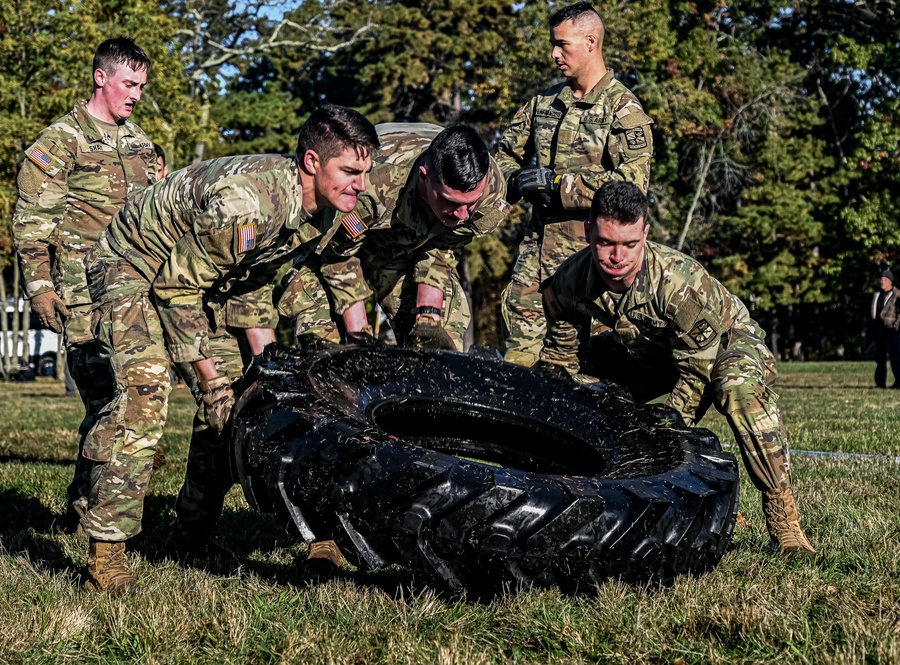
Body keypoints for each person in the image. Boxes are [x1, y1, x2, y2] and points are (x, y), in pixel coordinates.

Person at [78, 105, 379, 592]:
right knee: (146, 391)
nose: (360, 185)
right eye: (349, 171)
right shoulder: (246, 205)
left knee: (235, 410)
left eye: (365, 173)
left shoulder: (327, 211)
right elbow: (175, 288)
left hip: (204, 282)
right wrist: (209, 380)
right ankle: (106, 554)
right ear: (310, 162)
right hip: (131, 266)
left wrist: (267, 362)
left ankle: (189, 538)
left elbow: (266, 275)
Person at [537, 181, 814, 554]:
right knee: (578, 383)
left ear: (645, 234)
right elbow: (560, 357)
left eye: (630, 244)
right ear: (588, 232)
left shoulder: (678, 283)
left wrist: (667, 425)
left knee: (737, 389)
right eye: (605, 243)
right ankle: (597, 487)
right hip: (651, 351)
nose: (617, 257)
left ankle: (784, 518)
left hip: (726, 344)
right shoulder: (570, 280)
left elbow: (698, 371)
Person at [11, 37, 157, 535]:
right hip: (80, 295)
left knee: (127, 399)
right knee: (105, 398)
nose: (135, 94)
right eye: (128, 83)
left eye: (141, 86)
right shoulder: (60, 143)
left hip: (135, 293)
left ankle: (84, 504)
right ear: (101, 77)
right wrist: (40, 289)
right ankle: (90, 509)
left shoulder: (143, 146)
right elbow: (32, 224)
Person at [497, 1, 653, 366]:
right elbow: (502, 157)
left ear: (591, 41)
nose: (554, 54)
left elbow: (634, 185)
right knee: (519, 366)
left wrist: (559, 186)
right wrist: (516, 179)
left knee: (589, 372)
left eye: (562, 44)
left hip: (593, 266)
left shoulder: (623, 110)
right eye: (553, 44)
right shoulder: (543, 103)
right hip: (534, 263)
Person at [280, 123, 509, 351]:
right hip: (332, 247)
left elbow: (444, 246)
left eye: (470, 204)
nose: (462, 214)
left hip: (404, 249)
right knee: (333, 352)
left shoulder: (489, 193)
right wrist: (359, 336)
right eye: (452, 202)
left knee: (442, 346)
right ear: (424, 177)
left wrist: (428, 319)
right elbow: (338, 255)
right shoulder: (367, 184)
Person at [870, 270, 900, 389]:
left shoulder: (898, 295)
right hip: (879, 331)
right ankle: (880, 382)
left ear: (890, 281)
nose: (882, 282)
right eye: (881, 279)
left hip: (892, 331)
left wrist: (897, 328)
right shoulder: (877, 294)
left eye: (885, 280)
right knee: (880, 358)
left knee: (895, 358)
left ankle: (898, 382)